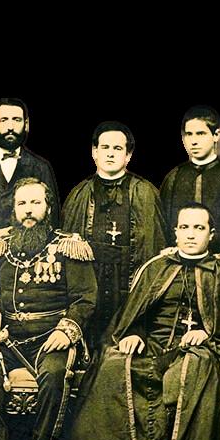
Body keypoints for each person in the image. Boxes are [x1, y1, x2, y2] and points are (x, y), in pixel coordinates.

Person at [67, 203, 220, 440]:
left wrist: (208, 333)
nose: (191, 235)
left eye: (199, 228)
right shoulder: (157, 267)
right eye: (185, 227)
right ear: (175, 232)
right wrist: (134, 333)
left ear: (211, 234)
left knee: (194, 368)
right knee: (115, 362)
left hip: (202, 348)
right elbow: (133, 315)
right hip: (154, 344)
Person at [0, 177, 96, 440]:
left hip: (52, 338)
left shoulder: (68, 246)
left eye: (36, 202)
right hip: (7, 340)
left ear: (48, 208)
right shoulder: (2, 247)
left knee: (54, 372)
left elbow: (85, 298)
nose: (28, 210)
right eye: (22, 203)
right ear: (14, 209)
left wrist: (66, 330)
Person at [62, 121, 166, 350]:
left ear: (128, 155)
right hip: (91, 293)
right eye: (105, 147)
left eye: (117, 148)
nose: (110, 153)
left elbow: (155, 255)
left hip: (129, 294)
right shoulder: (79, 194)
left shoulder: (145, 193)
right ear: (94, 152)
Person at [0, 98, 59, 243]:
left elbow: (53, 217)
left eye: (16, 120)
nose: (10, 127)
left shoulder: (41, 167)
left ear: (26, 124)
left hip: (29, 249)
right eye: (4, 120)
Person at [160, 105, 220, 256]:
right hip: (179, 260)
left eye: (200, 134)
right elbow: (163, 224)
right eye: (189, 134)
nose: (193, 141)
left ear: (216, 135)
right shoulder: (174, 177)